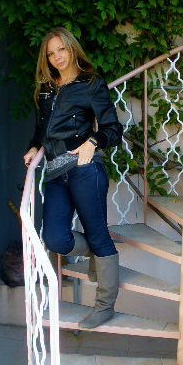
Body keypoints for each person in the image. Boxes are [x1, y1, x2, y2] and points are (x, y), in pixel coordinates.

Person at [23, 27, 123, 329]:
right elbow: (42, 130)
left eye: (61, 49)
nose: (57, 57)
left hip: (84, 169)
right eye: (51, 53)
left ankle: (105, 306)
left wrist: (93, 141)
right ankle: (96, 251)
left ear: (72, 48)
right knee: (55, 238)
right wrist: (33, 146)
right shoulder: (46, 89)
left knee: (98, 234)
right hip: (55, 173)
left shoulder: (91, 84)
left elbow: (113, 129)